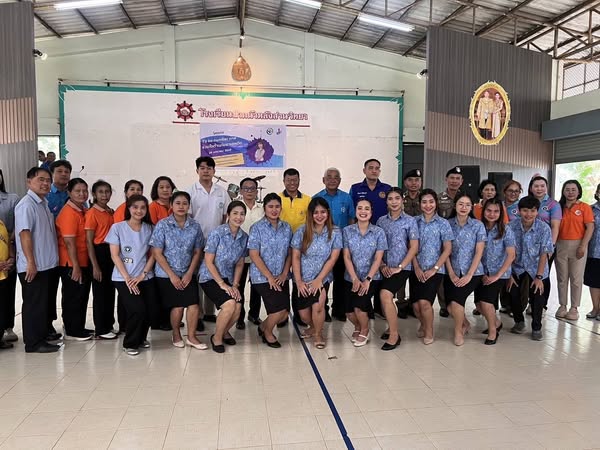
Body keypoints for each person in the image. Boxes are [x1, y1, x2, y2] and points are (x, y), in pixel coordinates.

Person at [150, 191, 206, 350]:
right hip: (166, 274)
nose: (181, 206)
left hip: (187, 272)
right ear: (171, 205)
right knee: (178, 306)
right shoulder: (163, 225)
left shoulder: (195, 226)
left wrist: (189, 273)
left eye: (185, 203)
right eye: (178, 203)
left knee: (194, 304)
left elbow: (197, 251)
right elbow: (157, 252)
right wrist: (172, 275)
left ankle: (192, 337)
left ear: (189, 206)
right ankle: (176, 334)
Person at [15, 167, 61, 353]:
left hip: (46, 265)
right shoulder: (26, 205)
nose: (45, 183)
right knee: (34, 305)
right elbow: (24, 234)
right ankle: (33, 343)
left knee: (42, 305)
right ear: (29, 182)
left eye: (48, 180)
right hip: (34, 265)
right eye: (40, 179)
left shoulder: (43, 203)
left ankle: (42, 337)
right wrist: (31, 262)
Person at [105, 194, 157, 356]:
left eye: (142, 207)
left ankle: (141, 338)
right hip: (123, 277)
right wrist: (127, 278)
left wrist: (143, 274)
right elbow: (115, 255)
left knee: (150, 309)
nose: (139, 211)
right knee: (137, 309)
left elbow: (154, 254)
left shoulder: (150, 228)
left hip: (144, 276)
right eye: (135, 207)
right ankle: (130, 343)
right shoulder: (117, 228)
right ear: (128, 208)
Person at [291, 197, 342, 349]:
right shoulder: (301, 231)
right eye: (316, 212)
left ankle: (319, 334)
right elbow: (295, 257)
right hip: (303, 278)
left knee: (318, 307)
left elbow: (333, 258)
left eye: (323, 212)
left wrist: (319, 279)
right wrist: (299, 281)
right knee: (304, 315)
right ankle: (313, 327)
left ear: (328, 213)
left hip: (322, 277)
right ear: (310, 214)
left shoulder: (335, 232)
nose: (319, 216)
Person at [199, 201, 248, 353]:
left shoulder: (243, 237)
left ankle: (224, 331)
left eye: (242, 214)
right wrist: (221, 284)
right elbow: (208, 261)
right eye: (235, 213)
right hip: (209, 276)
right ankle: (217, 338)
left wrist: (235, 285)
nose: (238, 217)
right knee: (229, 305)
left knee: (238, 306)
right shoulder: (217, 233)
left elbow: (240, 263)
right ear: (228, 215)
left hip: (228, 278)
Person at [188, 156, 231, 325]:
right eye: (202, 168)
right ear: (197, 170)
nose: (206, 171)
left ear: (214, 171)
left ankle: (209, 312)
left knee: (212, 275)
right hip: (196, 243)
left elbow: (225, 216)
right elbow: (188, 217)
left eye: (209, 168)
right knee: (197, 278)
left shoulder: (222, 192)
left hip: (216, 244)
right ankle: (197, 315)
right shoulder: (191, 191)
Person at [248, 193, 293, 348]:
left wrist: (284, 273)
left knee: (284, 313)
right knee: (277, 310)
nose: (274, 210)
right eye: (270, 206)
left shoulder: (286, 228)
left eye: (277, 206)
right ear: (264, 208)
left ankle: (263, 326)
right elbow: (254, 254)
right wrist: (269, 277)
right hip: (262, 277)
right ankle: (268, 333)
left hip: (281, 276)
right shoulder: (257, 228)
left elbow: (290, 253)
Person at [376, 188, 418, 350]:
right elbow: (377, 246)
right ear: (386, 202)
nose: (394, 202)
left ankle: (394, 335)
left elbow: (414, 247)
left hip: (402, 267)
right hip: (384, 266)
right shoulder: (381, 221)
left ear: (402, 200)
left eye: (397, 198)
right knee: (384, 299)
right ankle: (390, 327)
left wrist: (400, 267)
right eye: (390, 199)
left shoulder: (410, 221)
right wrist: (382, 265)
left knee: (385, 294)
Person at [507, 196, 554, 340]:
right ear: (519, 211)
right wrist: (509, 274)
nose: (528, 214)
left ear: (537, 211)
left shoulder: (544, 228)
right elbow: (507, 252)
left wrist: (539, 277)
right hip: (516, 267)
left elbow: (544, 253)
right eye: (525, 210)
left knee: (537, 296)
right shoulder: (511, 227)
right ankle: (519, 322)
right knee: (513, 293)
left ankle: (536, 327)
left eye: (533, 211)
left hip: (537, 268)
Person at [343, 199, 387, 347]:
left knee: (359, 307)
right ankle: (358, 326)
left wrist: (367, 279)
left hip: (371, 277)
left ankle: (365, 330)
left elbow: (378, 258)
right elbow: (346, 257)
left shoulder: (379, 232)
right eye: (360, 208)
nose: (363, 211)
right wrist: (354, 278)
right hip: (351, 277)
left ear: (371, 212)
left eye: (367, 209)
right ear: (355, 211)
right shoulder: (347, 231)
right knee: (349, 312)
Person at [411, 189, 453, 345]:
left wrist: (434, 269)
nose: (428, 205)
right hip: (416, 269)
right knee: (416, 306)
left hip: (435, 270)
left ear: (436, 203)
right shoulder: (413, 222)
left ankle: (429, 332)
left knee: (425, 303)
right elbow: (411, 247)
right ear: (419, 204)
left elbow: (447, 249)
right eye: (424, 202)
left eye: (431, 202)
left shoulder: (443, 223)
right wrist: (416, 267)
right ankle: (423, 324)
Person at [313, 167, 355, 322]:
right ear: (323, 180)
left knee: (340, 279)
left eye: (335, 177)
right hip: (323, 246)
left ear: (340, 180)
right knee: (323, 278)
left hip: (342, 246)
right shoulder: (316, 198)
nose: (332, 180)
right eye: (329, 177)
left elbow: (351, 220)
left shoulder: (346, 198)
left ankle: (338, 309)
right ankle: (322, 309)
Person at [445, 194, 486, 346]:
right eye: (460, 204)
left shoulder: (478, 225)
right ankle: (465, 324)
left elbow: (479, 252)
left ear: (471, 207)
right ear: (455, 205)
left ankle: (458, 331)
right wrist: (451, 273)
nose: (464, 207)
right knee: (450, 307)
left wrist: (469, 274)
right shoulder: (447, 224)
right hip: (452, 271)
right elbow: (445, 251)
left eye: (467, 205)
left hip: (473, 272)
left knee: (456, 303)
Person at [56, 178, 93, 341]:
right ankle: (72, 330)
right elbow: (69, 243)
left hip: (83, 260)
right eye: (77, 191)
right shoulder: (68, 213)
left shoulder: (82, 209)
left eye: (84, 191)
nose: (82, 194)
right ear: (69, 192)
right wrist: (76, 267)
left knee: (81, 296)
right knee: (73, 296)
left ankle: (78, 326)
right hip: (71, 262)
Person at [476, 198, 515, 345]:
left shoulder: (506, 229)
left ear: (501, 213)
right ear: (483, 211)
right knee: (479, 305)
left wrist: (497, 276)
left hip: (499, 273)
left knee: (486, 303)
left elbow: (511, 255)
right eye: (489, 210)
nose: (492, 214)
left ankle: (493, 331)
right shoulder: (478, 227)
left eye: (496, 211)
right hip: (481, 272)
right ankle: (497, 323)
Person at [555, 180, 594, 320]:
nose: (570, 192)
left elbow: (590, 228)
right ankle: (562, 305)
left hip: (578, 245)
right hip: (560, 244)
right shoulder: (559, 207)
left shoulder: (584, 207)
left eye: (573, 189)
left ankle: (574, 308)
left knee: (576, 278)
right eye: (567, 189)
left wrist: (583, 246)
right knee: (562, 277)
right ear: (563, 191)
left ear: (578, 191)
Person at [279, 168, 311, 326]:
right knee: (283, 281)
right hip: (282, 249)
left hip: (301, 248)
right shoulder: (278, 199)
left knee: (300, 280)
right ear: (283, 181)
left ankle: (299, 314)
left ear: (299, 181)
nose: (292, 183)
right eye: (289, 180)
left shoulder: (308, 200)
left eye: (295, 180)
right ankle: (282, 315)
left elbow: (311, 223)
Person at [85, 180, 116, 339]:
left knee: (110, 291)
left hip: (111, 252)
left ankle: (109, 325)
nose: (104, 195)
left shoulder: (110, 212)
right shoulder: (92, 213)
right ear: (94, 194)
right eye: (101, 192)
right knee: (101, 293)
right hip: (99, 253)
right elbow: (89, 242)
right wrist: (95, 266)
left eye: (107, 191)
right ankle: (101, 329)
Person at [46, 160, 73, 339]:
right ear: (52, 173)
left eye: (67, 171)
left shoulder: (74, 194)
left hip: (70, 252)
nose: (64, 174)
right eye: (60, 171)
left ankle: (69, 323)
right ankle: (47, 325)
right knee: (49, 291)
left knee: (70, 291)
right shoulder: (46, 196)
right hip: (51, 251)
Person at [528, 176, 561, 306]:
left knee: (543, 275)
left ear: (546, 187)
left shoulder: (553, 204)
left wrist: (550, 247)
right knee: (529, 273)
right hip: (529, 245)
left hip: (546, 246)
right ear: (531, 188)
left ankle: (541, 305)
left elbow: (555, 227)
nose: (539, 189)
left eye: (542, 186)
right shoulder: (527, 201)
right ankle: (531, 302)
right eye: (536, 186)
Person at [237, 177, 264, 329]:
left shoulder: (262, 209)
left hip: (257, 255)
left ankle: (254, 314)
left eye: (252, 188)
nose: (249, 191)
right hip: (239, 255)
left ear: (256, 191)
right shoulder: (236, 208)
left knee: (257, 287)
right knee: (239, 286)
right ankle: (239, 317)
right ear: (241, 191)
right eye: (246, 188)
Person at [436, 166, 463, 318]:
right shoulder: (439, 198)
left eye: (457, 178)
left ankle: (456, 302)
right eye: (452, 178)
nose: (454, 181)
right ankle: (444, 305)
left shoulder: (465, 197)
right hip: (442, 241)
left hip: (460, 242)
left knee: (457, 271)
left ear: (461, 181)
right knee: (442, 273)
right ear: (446, 180)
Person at [0, 169, 19, 343]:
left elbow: (17, 226)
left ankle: (7, 327)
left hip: (8, 253)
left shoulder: (12, 199)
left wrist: (10, 257)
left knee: (7, 292)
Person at [349, 159, 392, 224]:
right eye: (371, 168)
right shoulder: (355, 188)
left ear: (379, 171)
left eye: (377, 168)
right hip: (361, 227)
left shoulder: (387, 188)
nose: (374, 171)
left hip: (383, 226)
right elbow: (351, 211)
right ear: (364, 171)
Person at [584, 184, 600, 320]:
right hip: (593, 251)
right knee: (594, 282)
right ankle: (595, 308)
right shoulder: (590, 209)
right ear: (597, 193)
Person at [0, 217, 15, 349]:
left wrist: (11, 258)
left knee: (2, 308)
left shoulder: (2, 224)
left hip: (3, 274)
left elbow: (7, 242)